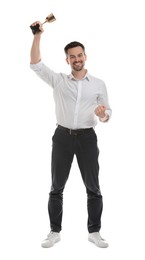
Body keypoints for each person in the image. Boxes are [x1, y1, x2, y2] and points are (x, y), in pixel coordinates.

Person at [30, 21, 112, 249]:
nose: (77, 59)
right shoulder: (58, 81)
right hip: (62, 137)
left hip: (87, 138)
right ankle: (54, 231)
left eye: (80, 55)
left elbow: (107, 113)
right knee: (56, 187)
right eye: (72, 56)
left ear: (85, 56)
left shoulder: (98, 84)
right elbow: (35, 64)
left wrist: (102, 114)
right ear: (67, 60)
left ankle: (94, 232)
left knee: (93, 187)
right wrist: (37, 36)